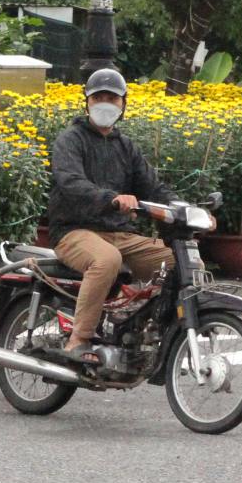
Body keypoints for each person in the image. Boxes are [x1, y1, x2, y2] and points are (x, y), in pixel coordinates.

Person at [46, 68, 179, 364]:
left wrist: (187, 210)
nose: (105, 103)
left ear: (123, 105)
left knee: (175, 260)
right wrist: (111, 199)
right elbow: (70, 182)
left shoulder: (125, 146)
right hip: (74, 231)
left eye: (112, 98)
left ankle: (149, 327)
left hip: (120, 234)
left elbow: (153, 187)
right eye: (98, 97)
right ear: (87, 102)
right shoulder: (71, 140)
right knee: (106, 260)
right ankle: (78, 339)